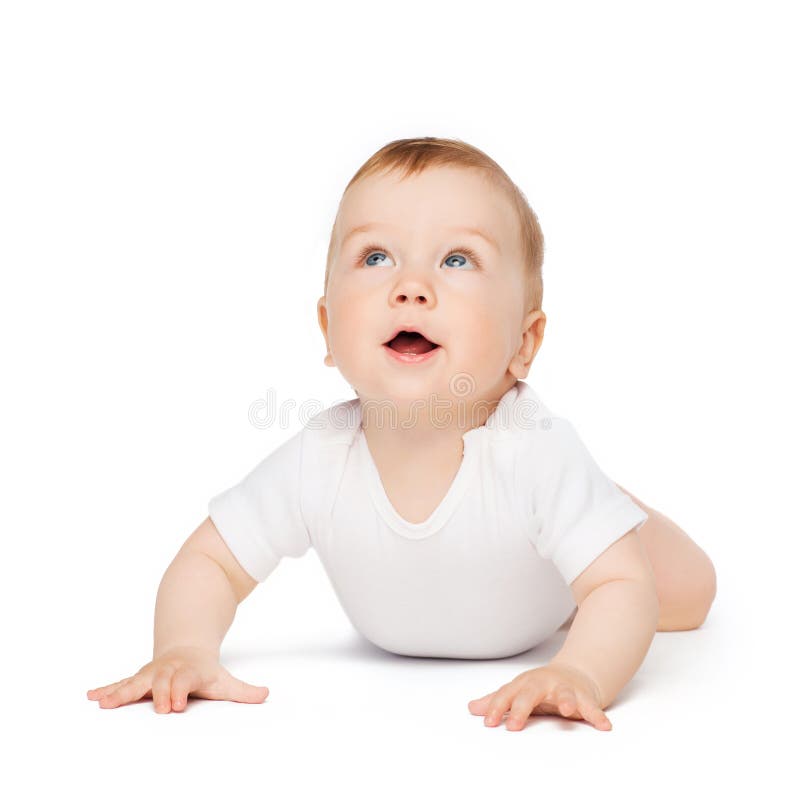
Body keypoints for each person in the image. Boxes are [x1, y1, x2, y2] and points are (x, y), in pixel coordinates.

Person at [87, 137, 717, 731]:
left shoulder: (535, 452)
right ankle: (591, 515)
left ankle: (605, 512)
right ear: (329, 327)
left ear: (523, 344)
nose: (410, 287)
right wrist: (183, 648)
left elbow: (619, 588)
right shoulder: (322, 457)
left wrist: (579, 669)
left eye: (457, 259)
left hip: (550, 558)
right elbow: (211, 562)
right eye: (376, 257)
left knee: (687, 594)